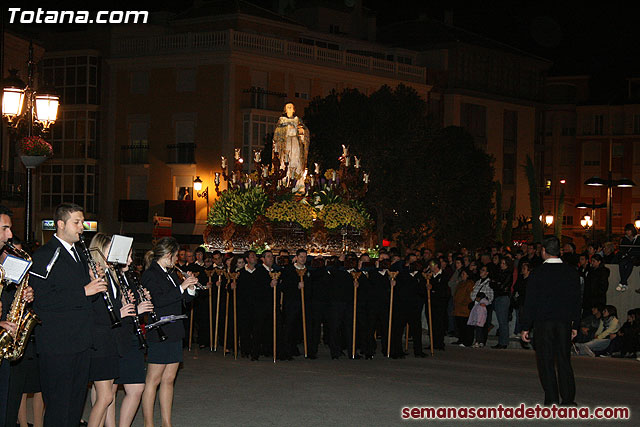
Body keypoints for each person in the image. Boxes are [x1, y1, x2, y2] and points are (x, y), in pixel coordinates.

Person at [30, 203, 108, 426]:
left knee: (75, 405)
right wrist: (84, 290)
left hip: (80, 341)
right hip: (57, 344)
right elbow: (42, 300)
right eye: (76, 222)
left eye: (82, 222)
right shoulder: (45, 254)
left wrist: (94, 283)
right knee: (58, 406)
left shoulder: (80, 255)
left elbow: (85, 301)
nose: (81, 227)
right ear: (61, 224)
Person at [141, 237, 198, 427]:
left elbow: (182, 302)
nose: (177, 260)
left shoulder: (171, 273)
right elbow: (158, 301)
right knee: (153, 379)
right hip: (159, 331)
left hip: (174, 330)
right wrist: (181, 287)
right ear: (168, 255)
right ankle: (148, 423)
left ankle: (167, 422)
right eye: (176, 256)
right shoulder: (151, 274)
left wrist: (189, 289)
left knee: (169, 378)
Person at [522, 236, 581, 406]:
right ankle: (568, 399)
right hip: (563, 322)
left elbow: (530, 302)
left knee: (546, 361)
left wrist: (526, 326)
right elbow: (576, 301)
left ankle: (552, 398)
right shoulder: (571, 272)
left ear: (544, 251)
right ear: (559, 251)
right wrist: (575, 324)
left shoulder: (538, 274)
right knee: (564, 360)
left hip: (543, 323)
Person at [105, 248, 154, 427]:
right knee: (108, 391)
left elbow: (133, 308)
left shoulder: (129, 278)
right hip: (115, 337)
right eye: (129, 256)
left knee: (136, 388)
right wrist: (136, 310)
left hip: (132, 336)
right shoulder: (109, 276)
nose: (132, 260)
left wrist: (143, 301)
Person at [491, 257, 513, 349]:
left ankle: (503, 342)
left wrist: (497, 284)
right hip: (498, 297)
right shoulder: (499, 273)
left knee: (503, 321)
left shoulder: (508, 274)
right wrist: (497, 284)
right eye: (501, 263)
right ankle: (502, 341)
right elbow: (492, 284)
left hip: (503, 297)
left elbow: (502, 286)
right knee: (501, 321)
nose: (502, 265)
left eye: (504, 263)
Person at [452, 269, 475, 347]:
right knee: (460, 325)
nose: (462, 275)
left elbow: (469, 296)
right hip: (458, 308)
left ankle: (467, 341)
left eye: (464, 274)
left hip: (464, 308)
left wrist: (463, 302)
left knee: (466, 326)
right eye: (461, 274)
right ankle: (461, 339)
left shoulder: (470, 283)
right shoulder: (460, 283)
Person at [617, 224, 640, 292]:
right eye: (626, 230)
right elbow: (622, 248)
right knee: (621, 263)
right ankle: (624, 283)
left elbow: (637, 250)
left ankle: (622, 282)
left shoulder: (638, 238)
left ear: (632, 230)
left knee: (630, 264)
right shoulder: (625, 239)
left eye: (629, 230)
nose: (627, 232)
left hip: (636, 257)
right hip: (628, 256)